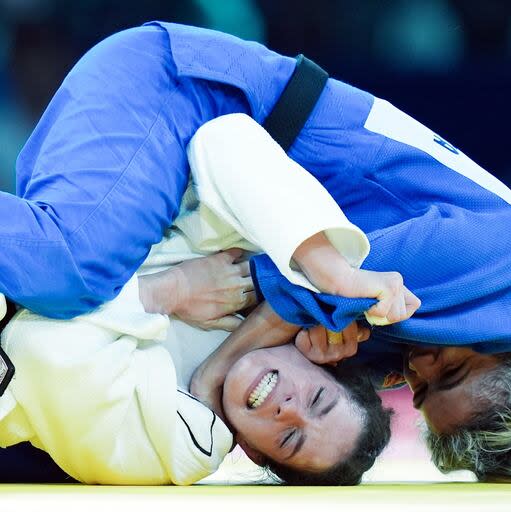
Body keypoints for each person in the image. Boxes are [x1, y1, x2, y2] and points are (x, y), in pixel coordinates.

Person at [0, 21, 511, 483]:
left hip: (178, 178)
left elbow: (279, 344)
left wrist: (307, 345)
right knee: (66, 267)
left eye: (419, 392)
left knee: (50, 436)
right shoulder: (506, 257)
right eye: (451, 370)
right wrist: (221, 364)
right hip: (190, 96)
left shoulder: (435, 334)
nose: (417, 370)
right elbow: (298, 287)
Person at [0, 114, 397, 485]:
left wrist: (173, 290)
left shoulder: (182, 450)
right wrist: (296, 300)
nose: (288, 410)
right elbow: (224, 137)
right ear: (325, 363)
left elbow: (36, 348)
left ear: (256, 455)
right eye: (317, 399)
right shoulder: (251, 278)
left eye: (290, 439)